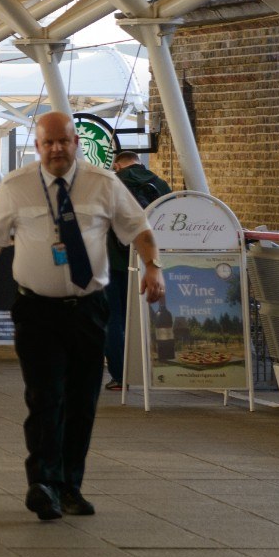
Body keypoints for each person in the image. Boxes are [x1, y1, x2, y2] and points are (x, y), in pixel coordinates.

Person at [0, 112, 163, 521]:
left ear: (76, 143)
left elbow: (139, 227)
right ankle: (42, 482)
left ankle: (69, 485)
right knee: (44, 396)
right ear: (37, 147)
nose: (57, 149)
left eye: (64, 141)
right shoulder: (17, 186)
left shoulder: (103, 183)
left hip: (88, 308)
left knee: (81, 402)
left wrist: (152, 266)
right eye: (48, 143)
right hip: (36, 309)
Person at [105, 149, 172, 389]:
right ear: (138, 162)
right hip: (149, 264)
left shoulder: (112, 183)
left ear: (118, 165)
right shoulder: (161, 185)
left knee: (113, 319)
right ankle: (157, 370)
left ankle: (121, 376)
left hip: (113, 260)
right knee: (149, 317)